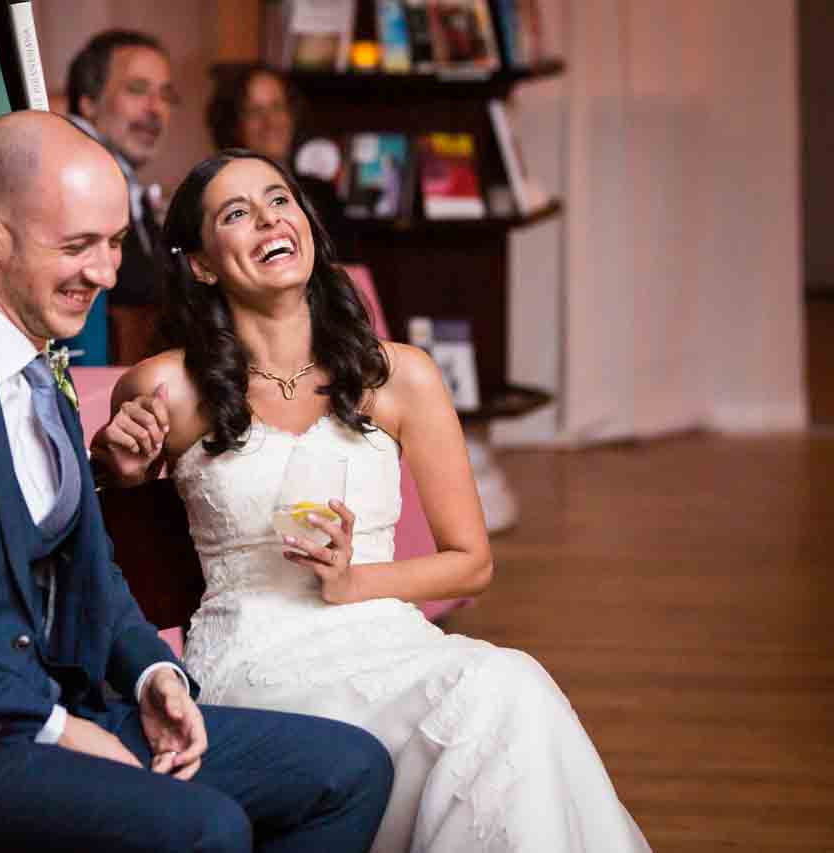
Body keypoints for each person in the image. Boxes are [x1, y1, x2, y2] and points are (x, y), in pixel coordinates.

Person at [0, 112, 394, 853]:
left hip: (54, 715)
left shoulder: (43, 367)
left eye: (113, 243)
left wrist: (151, 676)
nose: (107, 273)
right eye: (77, 246)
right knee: (209, 828)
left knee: (353, 769)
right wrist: (55, 725)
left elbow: (93, 576)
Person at [91, 150, 653, 853]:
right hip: (258, 661)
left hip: (387, 643)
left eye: (280, 200)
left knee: (508, 687)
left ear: (306, 224)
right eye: (237, 213)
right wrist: (115, 465)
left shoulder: (401, 376)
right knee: (500, 696)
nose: (269, 218)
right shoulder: (165, 386)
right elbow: (105, 520)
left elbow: (470, 562)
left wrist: (356, 579)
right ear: (202, 263)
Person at [62, 29, 178, 364]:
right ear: (88, 102)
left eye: (166, 95)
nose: (156, 109)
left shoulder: (129, 186)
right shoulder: (73, 178)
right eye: (137, 90)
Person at [205, 64, 346, 241]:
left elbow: (348, 266)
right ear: (233, 125)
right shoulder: (218, 201)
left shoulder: (323, 195)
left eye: (277, 107)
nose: (270, 122)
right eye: (255, 111)